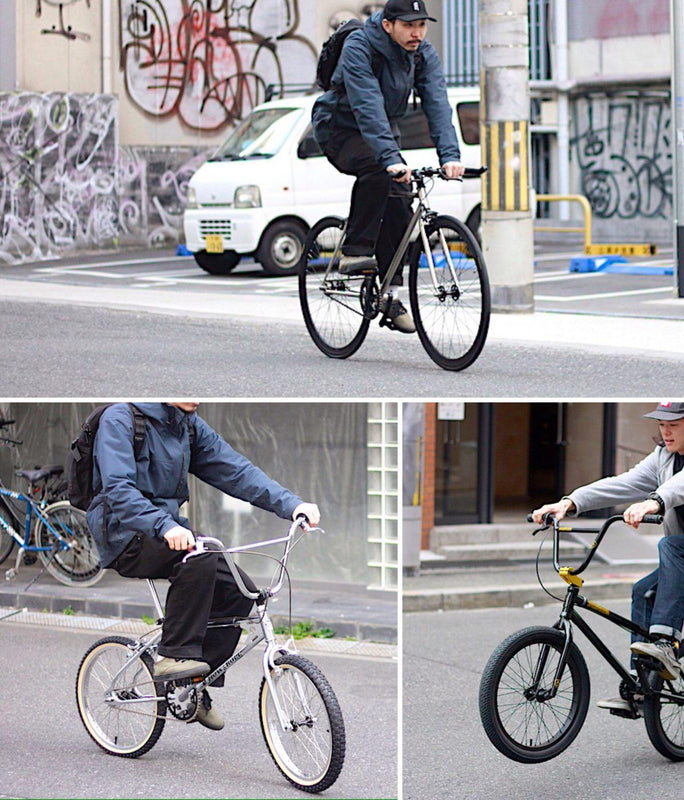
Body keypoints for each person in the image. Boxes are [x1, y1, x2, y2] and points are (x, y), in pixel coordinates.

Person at [85, 402, 319, 731]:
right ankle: (172, 655)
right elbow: (118, 489)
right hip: (123, 532)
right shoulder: (122, 418)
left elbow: (236, 471)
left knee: (242, 593)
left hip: (167, 529)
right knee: (201, 553)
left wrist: (292, 504)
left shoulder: (188, 425)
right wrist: (164, 526)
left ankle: (191, 686)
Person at [532, 401, 684, 711]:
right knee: (643, 592)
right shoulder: (665, 456)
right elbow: (625, 483)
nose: (665, 430)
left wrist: (654, 502)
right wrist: (569, 502)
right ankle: (641, 687)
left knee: (671, 547)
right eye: (661, 423)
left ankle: (665, 645)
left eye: (673, 424)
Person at [311, 0, 465, 334]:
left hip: (382, 131)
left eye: (422, 25)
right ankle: (354, 250)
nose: (417, 33)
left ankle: (389, 295)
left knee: (400, 198)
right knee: (378, 168)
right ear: (387, 25)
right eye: (409, 26)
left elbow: (437, 103)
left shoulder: (423, 53)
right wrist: (390, 158)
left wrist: (450, 156)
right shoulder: (359, 46)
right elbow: (366, 105)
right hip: (340, 128)